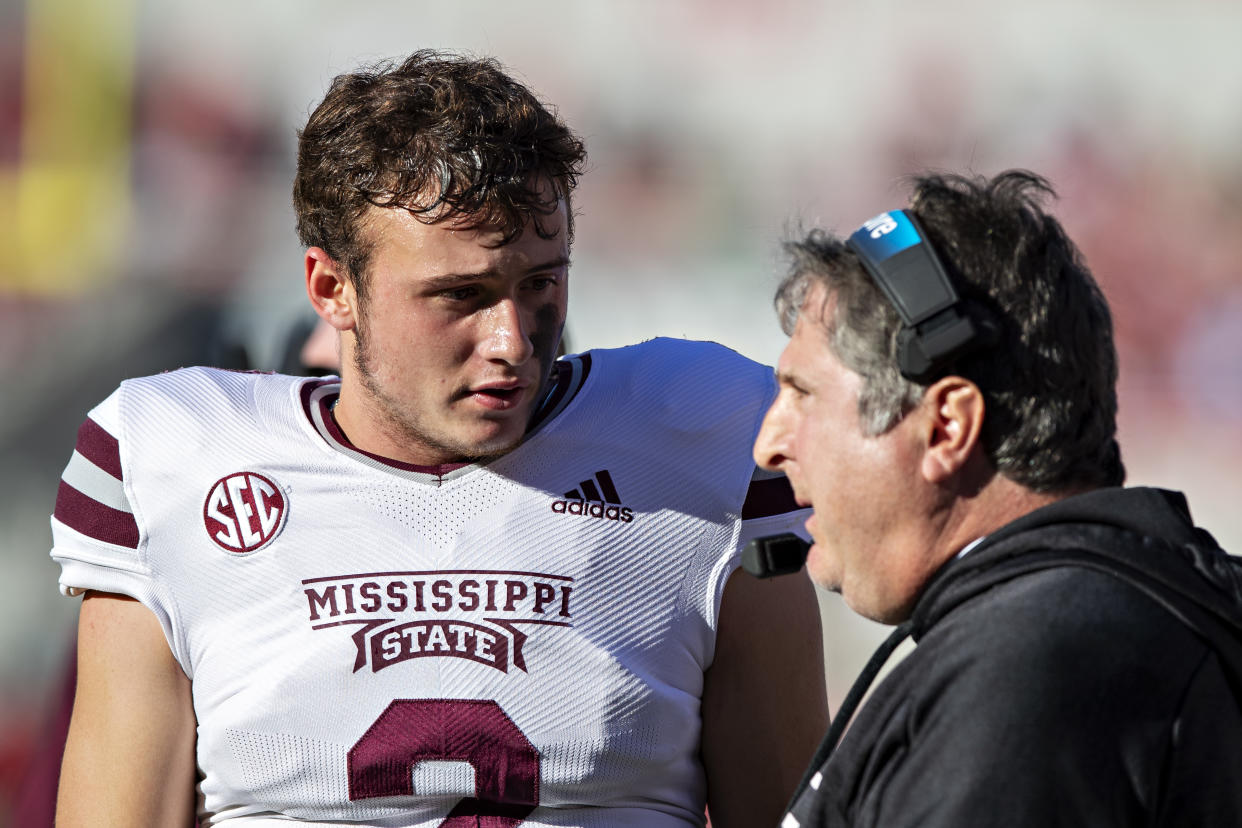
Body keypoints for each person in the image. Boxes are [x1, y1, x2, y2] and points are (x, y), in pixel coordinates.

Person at [50, 50, 827, 827]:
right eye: (462, 294)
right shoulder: (170, 462)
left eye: (541, 284)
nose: (512, 341)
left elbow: (784, 810)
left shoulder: (703, 435)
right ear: (332, 288)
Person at [752, 169, 1242, 827]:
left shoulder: (1034, 669)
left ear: (947, 427)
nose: (769, 444)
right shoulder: (1080, 629)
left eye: (802, 395)